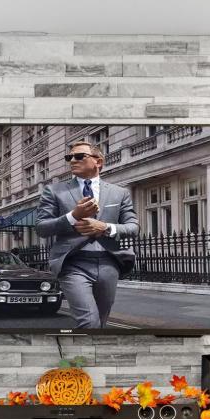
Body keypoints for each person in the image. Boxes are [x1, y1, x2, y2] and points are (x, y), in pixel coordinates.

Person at [36, 139, 139, 330]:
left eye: (79, 156)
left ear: (98, 161)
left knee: (100, 322)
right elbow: (42, 228)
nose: (72, 160)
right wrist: (73, 216)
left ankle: (85, 359)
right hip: (73, 263)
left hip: (109, 262)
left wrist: (106, 227)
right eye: (70, 157)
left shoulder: (119, 193)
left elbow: (133, 227)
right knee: (89, 323)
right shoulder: (54, 191)